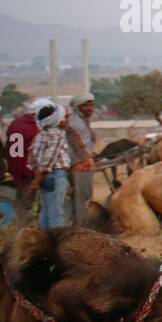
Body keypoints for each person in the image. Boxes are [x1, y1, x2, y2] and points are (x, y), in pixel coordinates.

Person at [29, 103, 73, 229]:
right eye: (64, 119)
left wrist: (37, 176)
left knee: (45, 211)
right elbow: (50, 159)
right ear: (57, 121)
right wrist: (38, 179)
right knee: (57, 212)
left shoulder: (40, 135)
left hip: (43, 176)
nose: (66, 121)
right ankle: (56, 241)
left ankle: (44, 239)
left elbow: (32, 158)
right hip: (55, 175)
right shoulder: (58, 135)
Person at [6, 98, 44, 223]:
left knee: (21, 200)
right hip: (29, 170)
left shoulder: (15, 123)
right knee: (28, 204)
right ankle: (22, 229)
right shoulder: (34, 128)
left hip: (15, 165)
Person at [65, 92, 98, 226]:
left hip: (83, 161)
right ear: (78, 107)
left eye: (92, 105)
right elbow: (74, 147)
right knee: (82, 197)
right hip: (79, 164)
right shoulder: (76, 123)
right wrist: (84, 160)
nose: (90, 108)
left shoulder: (82, 120)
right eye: (86, 105)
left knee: (82, 196)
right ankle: (82, 226)